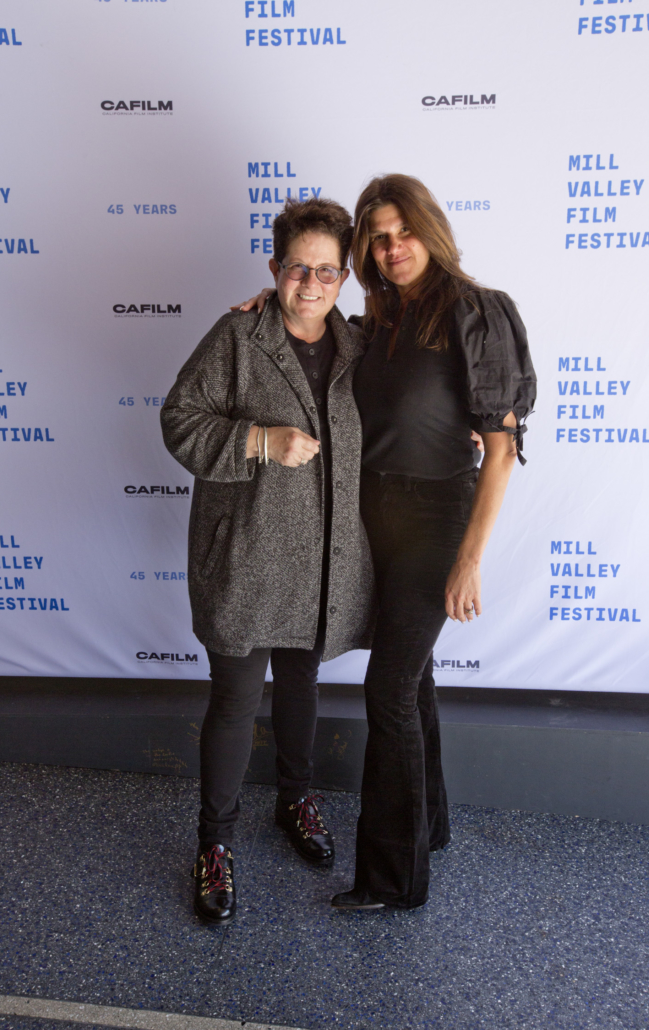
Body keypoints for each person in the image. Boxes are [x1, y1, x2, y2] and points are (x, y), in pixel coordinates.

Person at [237, 174, 536, 912]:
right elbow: (313, 328)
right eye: (377, 237)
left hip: (437, 517)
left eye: (404, 231)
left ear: (430, 231)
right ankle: (427, 826)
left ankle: (392, 879)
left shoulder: (477, 311)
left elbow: (500, 451)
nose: (392, 247)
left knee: (390, 689)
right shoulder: (379, 318)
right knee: (414, 680)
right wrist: (271, 302)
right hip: (373, 514)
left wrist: (468, 561)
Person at [160, 197, 375, 926]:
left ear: (345, 276)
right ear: (274, 267)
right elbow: (179, 420)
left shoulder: (361, 347)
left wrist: (471, 432)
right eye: (296, 268)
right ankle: (214, 843)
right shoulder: (236, 335)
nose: (310, 284)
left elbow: (405, 413)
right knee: (234, 699)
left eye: (325, 270)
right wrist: (259, 440)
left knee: (301, 683)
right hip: (246, 555)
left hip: (324, 559)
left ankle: (295, 799)